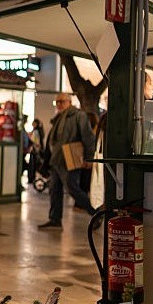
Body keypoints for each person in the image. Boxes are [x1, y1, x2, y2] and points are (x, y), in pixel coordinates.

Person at [38, 93, 97, 229]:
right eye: (57, 102)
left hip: (69, 159)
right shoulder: (58, 118)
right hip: (56, 160)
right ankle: (55, 219)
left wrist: (89, 158)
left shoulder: (78, 115)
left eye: (62, 101)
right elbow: (52, 141)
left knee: (73, 189)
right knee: (54, 190)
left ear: (69, 102)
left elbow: (88, 138)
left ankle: (96, 212)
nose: (59, 104)